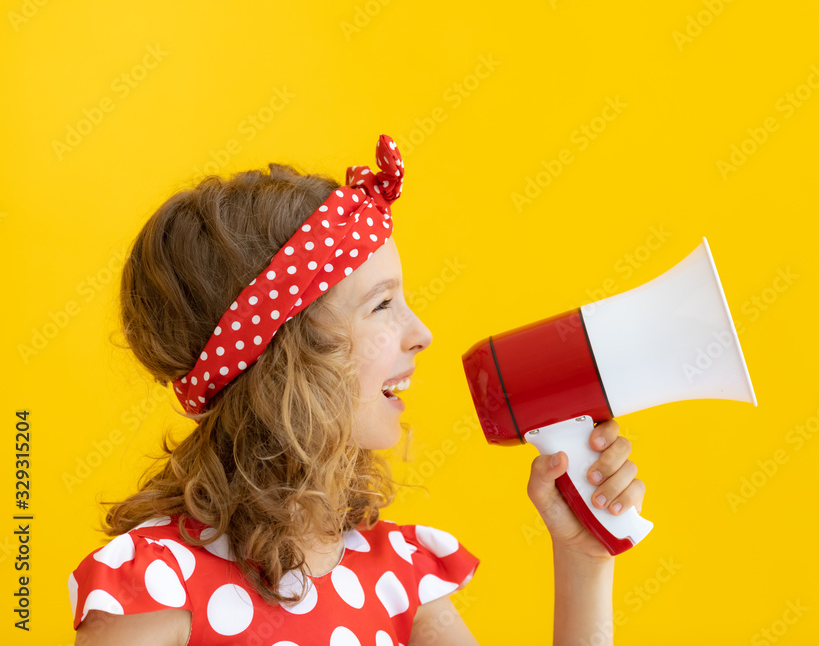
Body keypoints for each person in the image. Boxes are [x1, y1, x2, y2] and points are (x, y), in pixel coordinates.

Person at [68, 134, 646, 645]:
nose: (422, 334)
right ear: (283, 359)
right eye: (381, 304)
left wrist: (583, 560)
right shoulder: (151, 586)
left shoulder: (399, 577)